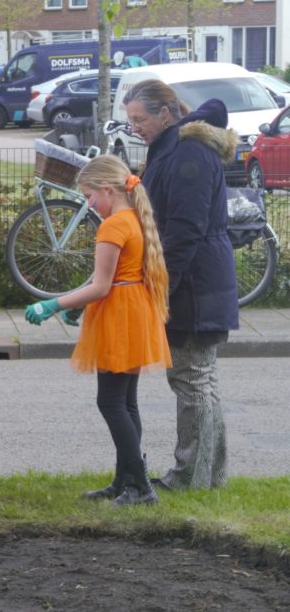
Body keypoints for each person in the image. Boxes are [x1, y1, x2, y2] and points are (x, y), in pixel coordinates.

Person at [25, 155, 172, 505]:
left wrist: (53, 304)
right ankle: (126, 481)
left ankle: (139, 487)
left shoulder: (112, 225)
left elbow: (101, 286)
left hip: (118, 316)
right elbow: (105, 279)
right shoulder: (134, 218)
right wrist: (78, 303)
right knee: (126, 402)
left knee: (110, 401)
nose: (88, 204)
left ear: (108, 190)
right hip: (135, 310)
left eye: (90, 196)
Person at [124, 82, 239, 491]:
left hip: (194, 284)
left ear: (166, 114)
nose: (134, 126)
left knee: (190, 378)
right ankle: (210, 475)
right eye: (130, 119)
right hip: (201, 279)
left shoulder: (188, 151)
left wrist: (160, 286)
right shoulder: (176, 148)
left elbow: (185, 229)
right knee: (200, 378)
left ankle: (190, 476)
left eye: (140, 118)